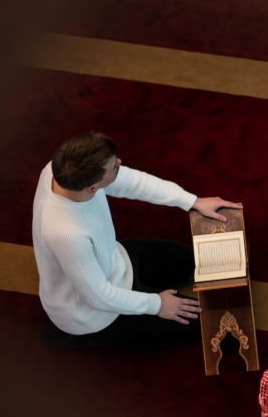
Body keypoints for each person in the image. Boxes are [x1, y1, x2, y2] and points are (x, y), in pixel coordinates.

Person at [32, 131, 241, 348]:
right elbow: (98, 296)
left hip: (116, 260)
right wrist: (157, 304)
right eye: (115, 167)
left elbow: (132, 182)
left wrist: (192, 201)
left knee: (193, 260)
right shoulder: (67, 234)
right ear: (91, 188)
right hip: (96, 314)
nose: (120, 164)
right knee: (213, 324)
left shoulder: (59, 170)